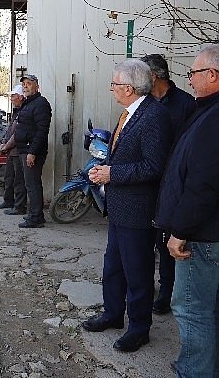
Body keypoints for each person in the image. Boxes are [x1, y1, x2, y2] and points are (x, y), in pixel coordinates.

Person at [81, 59, 172, 353]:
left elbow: (154, 166)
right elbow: (123, 157)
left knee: (138, 272)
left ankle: (139, 328)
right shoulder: (129, 114)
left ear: (130, 88)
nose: (111, 89)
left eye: (115, 84)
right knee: (113, 268)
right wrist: (104, 169)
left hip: (138, 211)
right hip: (120, 208)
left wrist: (113, 174)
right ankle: (112, 314)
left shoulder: (153, 116)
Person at [153, 44, 219, 377]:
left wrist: (179, 231)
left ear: (212, 75)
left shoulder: (213, 117)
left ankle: (194, 371)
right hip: (205, 233)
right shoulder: (205, 111)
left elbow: (205, 184)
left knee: (192, 308)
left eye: (193, 73)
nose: (190, 80)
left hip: (201, 236)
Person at [140, 54, 196, 315]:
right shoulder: (145, 103)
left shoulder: (186, 104)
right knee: (145, 238)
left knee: (166, 241)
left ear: (153, 76)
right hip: (145, 182)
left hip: (173, 184)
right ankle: (144, 285)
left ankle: (166, 292)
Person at [13, 74, 52, 228]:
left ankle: (36, 217)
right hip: (25, 150)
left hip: (32, 151)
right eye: (24, 85)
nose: (26, 87)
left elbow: (42, 131)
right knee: (30, 183)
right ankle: (35, 215)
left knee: (33, 184)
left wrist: (32, 152)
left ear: (37, 86)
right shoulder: (28, 103)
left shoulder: (41, 104)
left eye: (29, 84)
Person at [0, 84, 27, 215]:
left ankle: (19, 207)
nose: (11, 98)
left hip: (18, 151)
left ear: (20, 97)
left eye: (13, 96)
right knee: (9, 177)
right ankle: (8, 201)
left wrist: (6, 146)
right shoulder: (16, 111)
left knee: (19, 180)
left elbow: (17, 134)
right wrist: (4, 142)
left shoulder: (24, 112)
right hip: (11, 151)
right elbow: (10, 131)